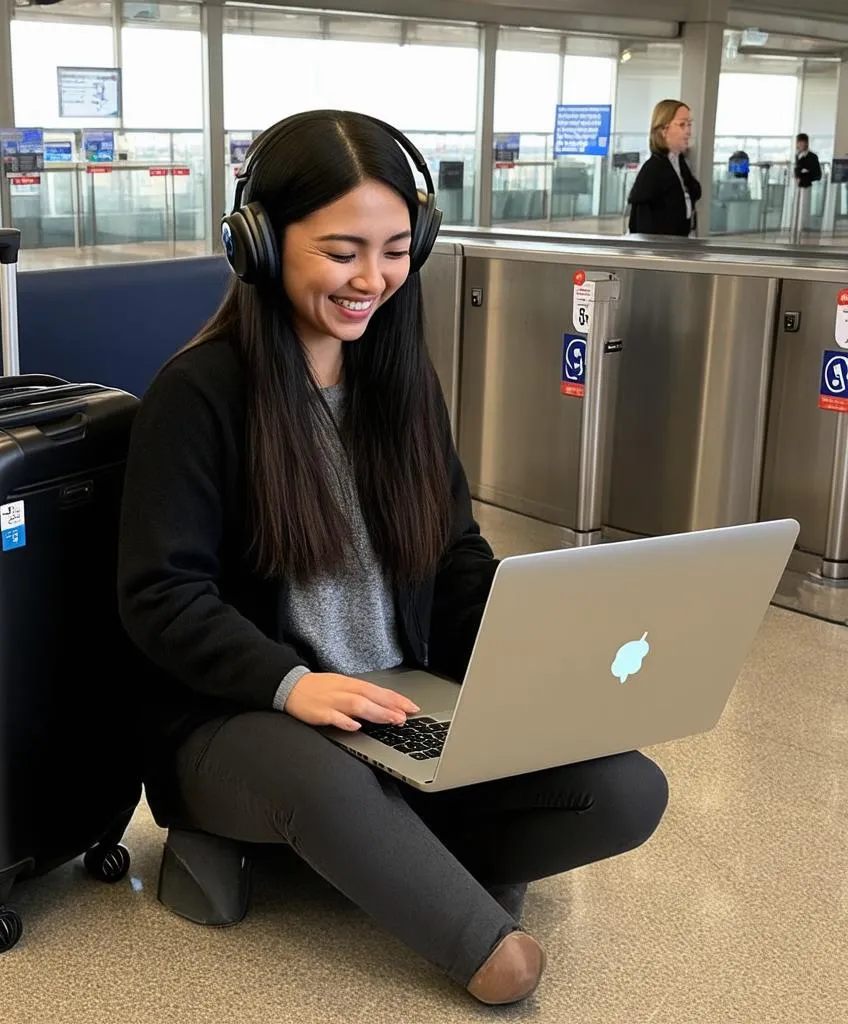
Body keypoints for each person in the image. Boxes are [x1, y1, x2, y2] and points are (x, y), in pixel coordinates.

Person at [118, 109, 669, 1006]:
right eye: (342, 251)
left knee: (625, 788)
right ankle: (481, 939)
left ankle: (402, 847)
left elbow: (452, 556)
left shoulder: (399, 378)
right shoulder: (200, 394)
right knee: (328, 778)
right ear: (259, 242)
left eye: (395, 249)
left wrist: (532, 645)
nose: (371, 279)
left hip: (395, 700)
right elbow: (161, 597)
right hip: (248, 722)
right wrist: (295, 685)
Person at [627, 99, 702, 236]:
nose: (688, 132)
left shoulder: (680, 164)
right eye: (682, 125)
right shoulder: (653, 170)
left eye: (689, 124)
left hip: (679, 244)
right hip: (662, 250)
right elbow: (641, 224)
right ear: (663, 130)